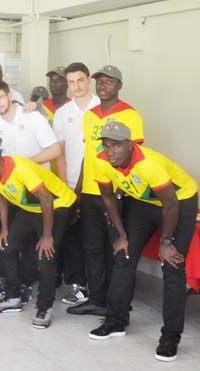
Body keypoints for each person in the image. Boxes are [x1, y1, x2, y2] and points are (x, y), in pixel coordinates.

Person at [87, 121, 197, 363]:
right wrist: (122, 235)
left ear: (130, 145)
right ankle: (116, 321)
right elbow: (108, 198)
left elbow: (170, 205)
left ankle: (170, 336)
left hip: (180, 201)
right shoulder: (101, 160)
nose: (110, 150)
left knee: (172, 265)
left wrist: (166, 242)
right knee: (123, 255)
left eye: (116, 145)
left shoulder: (149, 164)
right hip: (144, 202)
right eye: (106, 145)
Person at [0, 137, 76, 329]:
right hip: (31, 208)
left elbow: (46, 199)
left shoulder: (20, 168)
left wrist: (46, 236)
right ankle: (13, 297)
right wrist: (4, 228)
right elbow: (2, 197)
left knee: (46, 256)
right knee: (7, 246)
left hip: (58, 206)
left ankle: (44, 307)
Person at [68, 65, 144, 317]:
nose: (103, 86)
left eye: (109, 82)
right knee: (93, 248)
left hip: (118, 193)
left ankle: (118, 302)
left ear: (119, 85)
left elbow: (135, 157)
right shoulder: (89, 116)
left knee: (117, 249)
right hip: (91, 191)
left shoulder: (130, 115)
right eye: (100, 81)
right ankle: (98, 299)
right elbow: (86, 157)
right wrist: (78, 192)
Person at [52, 62, 100, 306]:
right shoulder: (62, 113)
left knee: (95, 239)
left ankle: (99, 286)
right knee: (71, 238)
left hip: (100, 186)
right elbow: (59, 152)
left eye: (80, 80)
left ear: (89, 79)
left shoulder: (102, 107)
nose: (76, 86)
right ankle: (78, 285)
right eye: (71, 82)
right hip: (70, 184)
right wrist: (63, 184)